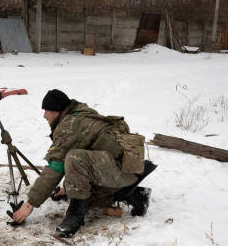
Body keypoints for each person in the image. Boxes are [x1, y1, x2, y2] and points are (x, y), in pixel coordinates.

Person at [11, 89, 154, 237]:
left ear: (57, 111)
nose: (44, 115)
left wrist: (29, 205)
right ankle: (137, 196)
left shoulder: (70, 125)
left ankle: (75, 216)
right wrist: (66, 189)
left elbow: (55, 168)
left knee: (74, 158)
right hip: (120, 169)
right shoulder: (79, 112)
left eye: (47, 110)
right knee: (83, 195)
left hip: (120, 171)